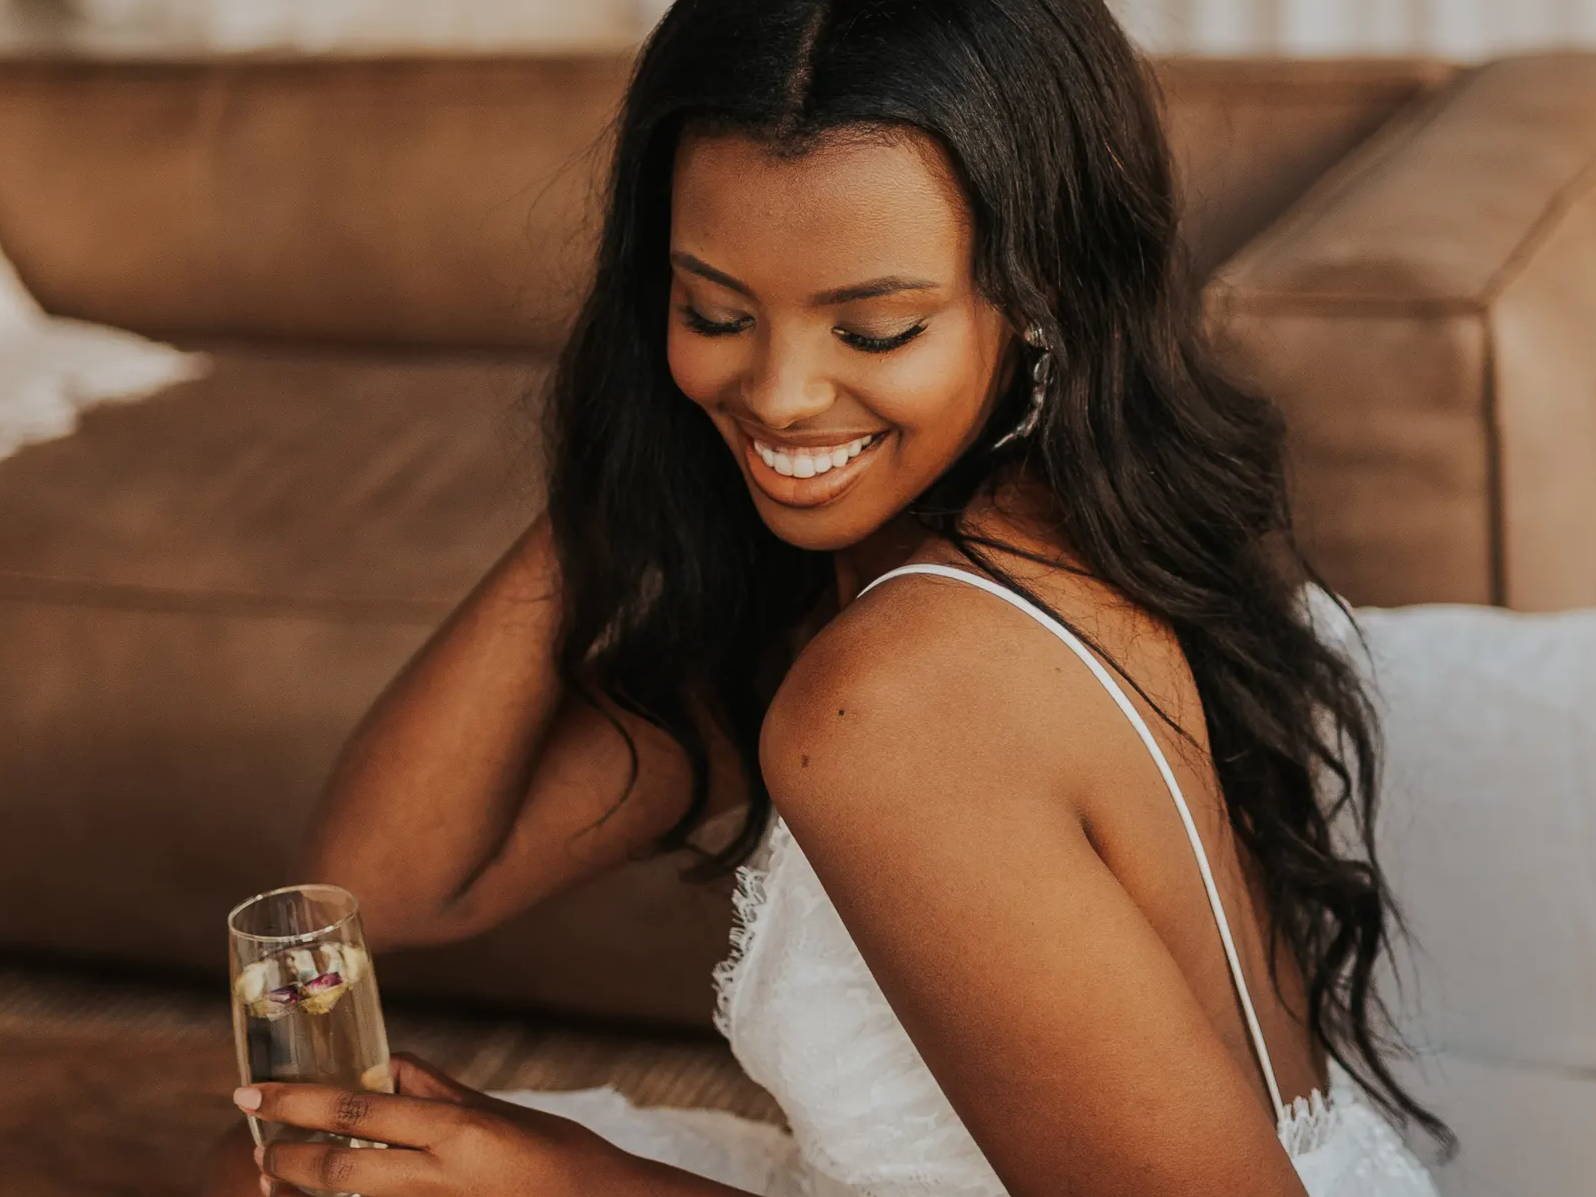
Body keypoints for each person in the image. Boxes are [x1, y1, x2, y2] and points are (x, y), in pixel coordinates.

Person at [205, 2, 1454, 1194]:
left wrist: (583, 1186)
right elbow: (395, 879)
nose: (784, 393)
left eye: (873, 331)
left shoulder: (902, 699)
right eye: (716, 308)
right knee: (294, 1177)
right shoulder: (1017, 526)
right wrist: (627, 459)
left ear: (1043, 297)